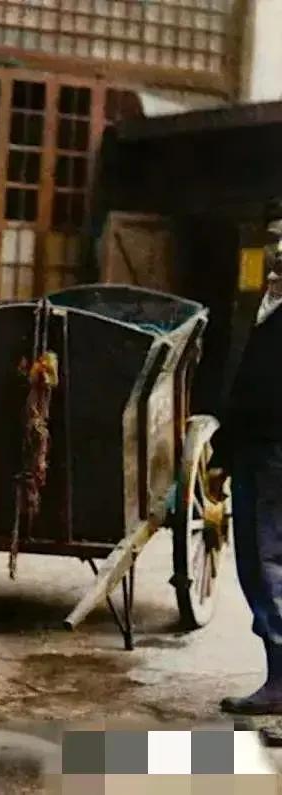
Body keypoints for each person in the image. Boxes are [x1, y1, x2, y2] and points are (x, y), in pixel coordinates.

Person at [212, 203, 282, 713]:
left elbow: (263, 395)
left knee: (267, 563)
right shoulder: (268, 305)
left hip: (272, 449)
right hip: (259, 445)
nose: (278, 254)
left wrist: (231, 447)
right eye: (275, 242)